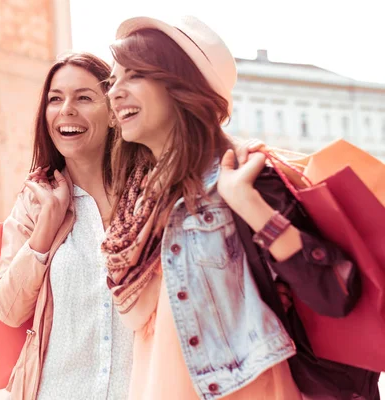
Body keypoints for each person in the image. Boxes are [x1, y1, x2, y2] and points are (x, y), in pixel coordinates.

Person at [102, 16, 376, 399]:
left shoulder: (246, 177)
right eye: (112, 80)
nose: (115, 92)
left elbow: (335, 291)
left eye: (134, 75)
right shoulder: (138, 205)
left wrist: (248, 203)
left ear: (180, 85)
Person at [0, 52, 134, 400]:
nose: (66, 109)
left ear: (114, 113)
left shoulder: (146, 196)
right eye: (56, 99)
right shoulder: (34, 203)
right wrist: (46, 227)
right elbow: (8, 311)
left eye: (84, 97)